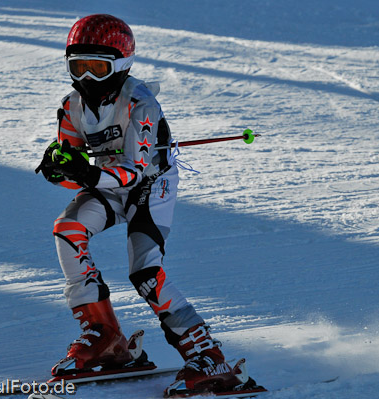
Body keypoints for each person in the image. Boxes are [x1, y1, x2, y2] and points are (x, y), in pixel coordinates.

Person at [37, 14, 260, 395]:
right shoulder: (70, 106)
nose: (87, 78)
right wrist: (60, 169)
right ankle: (105, 336)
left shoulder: (141, 104)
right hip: (110, 183)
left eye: (97, 67)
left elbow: (135, 172)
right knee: (67, 229)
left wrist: (86, 175)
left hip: (149, 187)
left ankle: (208, 355)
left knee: (145, 271)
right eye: (79, 67)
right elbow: (75, 164)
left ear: (121, 65)